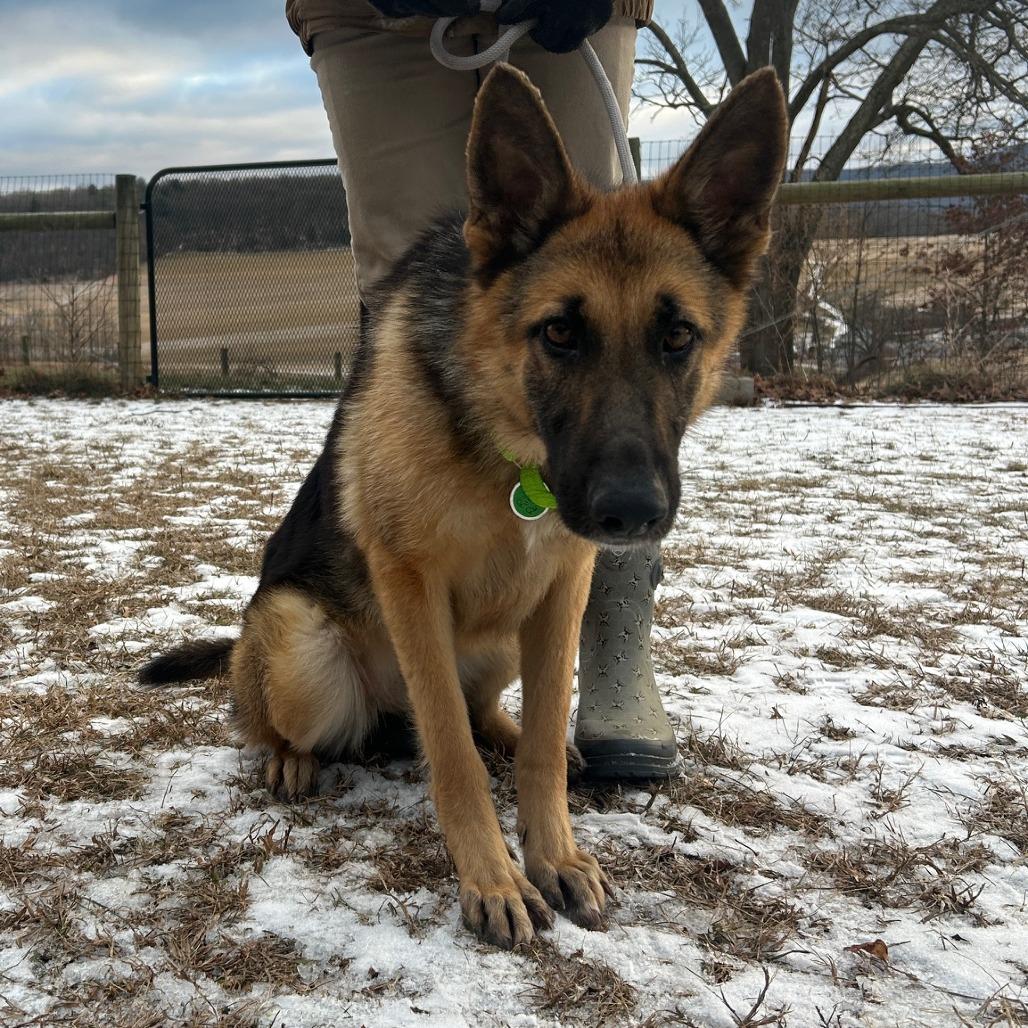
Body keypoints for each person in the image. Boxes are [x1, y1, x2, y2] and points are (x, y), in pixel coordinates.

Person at [286, 0, 678, 780]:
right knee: (411, 294)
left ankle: (614, 645)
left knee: (604, 280)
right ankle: (418, 654)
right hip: (372, 16)